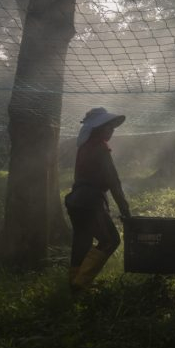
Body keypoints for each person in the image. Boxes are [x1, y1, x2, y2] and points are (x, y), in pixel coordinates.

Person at [64, 107, 131, 292]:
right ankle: (80, 284)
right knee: (111, 240)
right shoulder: (100, 148)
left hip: (75, 201)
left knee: (83, 241)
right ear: (97, 128)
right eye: (108, 127)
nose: (111, 130)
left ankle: (74, 282)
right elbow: (113, 181)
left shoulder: (84, 146)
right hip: (90, 202)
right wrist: (125, 210)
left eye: (112, 127)